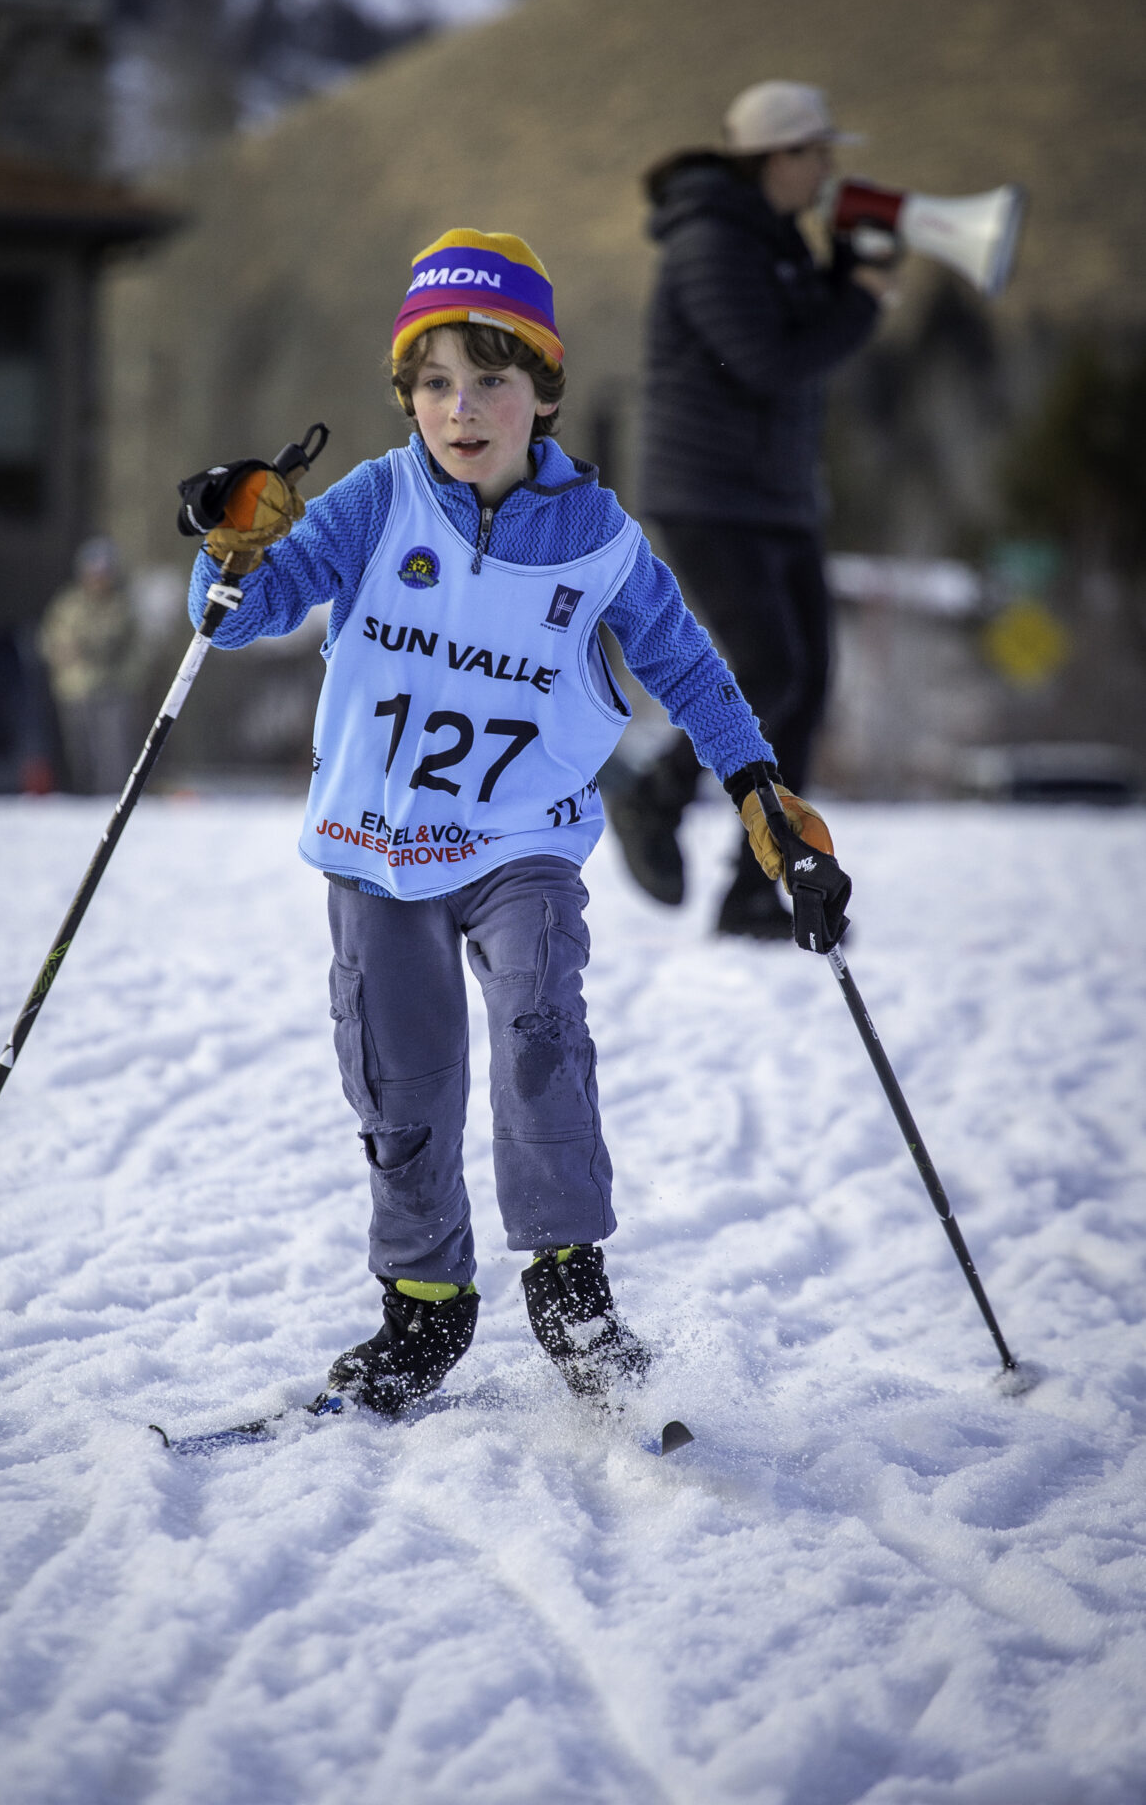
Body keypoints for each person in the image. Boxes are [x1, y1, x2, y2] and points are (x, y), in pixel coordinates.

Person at [182, 228, 838, 1417]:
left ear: (543, 390)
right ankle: (425, 1306)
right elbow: (239, 615)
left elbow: (688, 670)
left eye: (491, 378)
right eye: (435, 382)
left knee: (541, 1029)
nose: (462, 407)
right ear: (407, 397)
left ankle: (571, 1289)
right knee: (400, 1082)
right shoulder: (376, 501)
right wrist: (231, 540)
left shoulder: (598, 541)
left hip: (520, 841)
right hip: (378, 848)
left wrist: (760, 795)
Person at [607, 81, 895, 936]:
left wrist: (843, 269)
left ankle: (755, 890)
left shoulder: (774, 238)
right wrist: (862, 298)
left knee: (805, 685)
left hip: (778, 496)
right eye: (816, 153)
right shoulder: (711, 240)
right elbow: (766, 362)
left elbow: (794, 336)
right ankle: (656, 794)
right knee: (771, 670)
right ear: (775, 157)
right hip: (709, 492)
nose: (827, 170)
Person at [38, 536, 141, 795]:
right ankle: (79, 797)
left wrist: (127, 678)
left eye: (104, 573)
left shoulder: (122, 606)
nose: (99, 579)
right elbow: (48, 641)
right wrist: (65, 659)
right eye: (94, 572)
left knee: (114, 753)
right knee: (79, 753)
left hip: (113, 689)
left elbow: (138, 649)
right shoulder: (67, 606)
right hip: (75, 690)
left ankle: (113, 798)